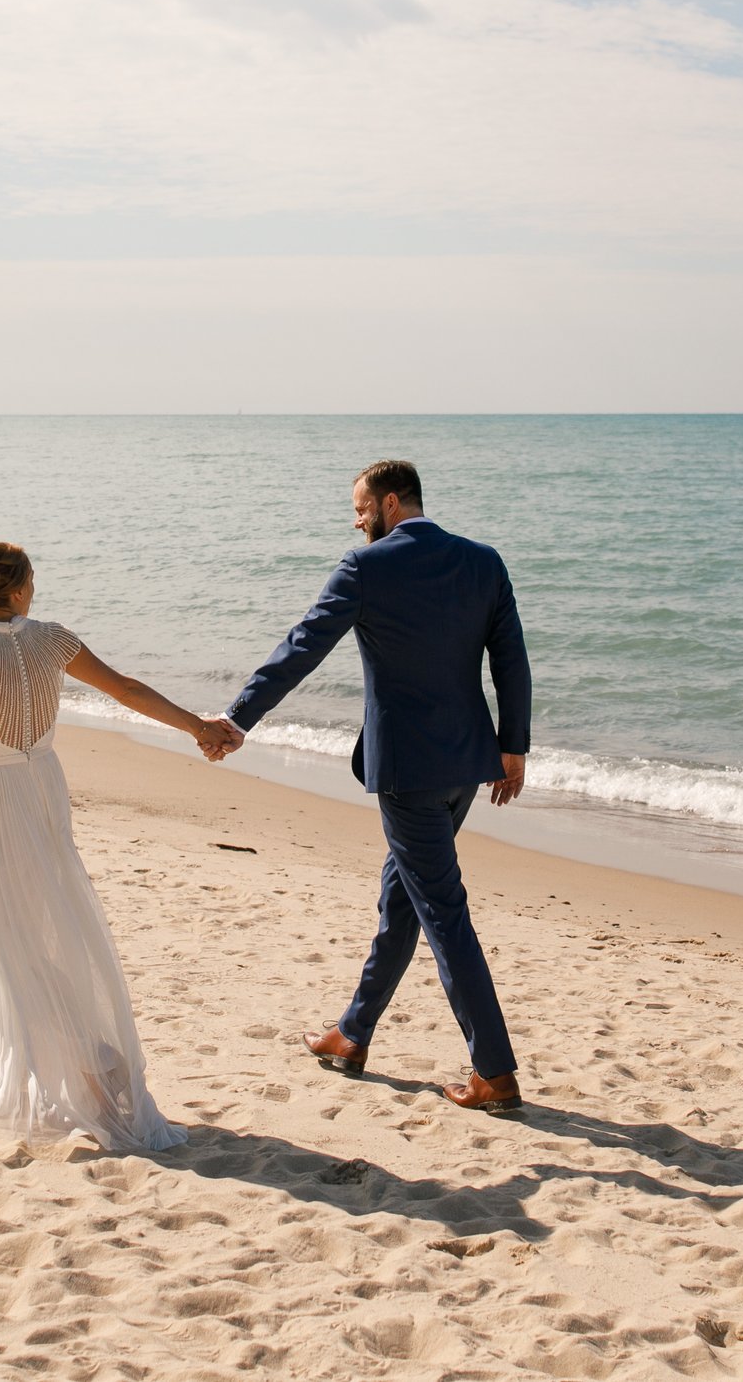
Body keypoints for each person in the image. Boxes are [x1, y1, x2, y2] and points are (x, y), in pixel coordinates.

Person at [207, 460, 532, 1112]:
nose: (356, 521)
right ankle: (352, 1035)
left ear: (389, 502)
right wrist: (513, 745)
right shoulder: (483, 561)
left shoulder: (366, 569)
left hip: (409, 774)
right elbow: (511, 656)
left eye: (360, 509)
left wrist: (236, 718)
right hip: (468, 767)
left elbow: (302, 646)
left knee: (442, 913)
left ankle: (495, 1073)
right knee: (403, 900)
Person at [0, 539, 226, 1152]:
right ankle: (80, 1057)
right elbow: (125, 689)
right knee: (54, 920)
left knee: (4, 936)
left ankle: (76, 1060)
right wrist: (197, 726)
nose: (35, 588)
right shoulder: (55, 639)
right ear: (16, 589)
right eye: (32, 579)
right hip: (43, 788)